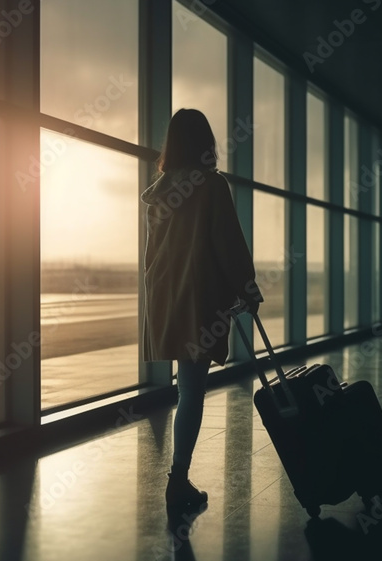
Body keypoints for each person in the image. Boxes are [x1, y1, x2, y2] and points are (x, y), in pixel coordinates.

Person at [140, 108, 263, 510]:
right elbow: (227, 243)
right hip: (196, 296)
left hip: (164, 295)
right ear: (205, 143)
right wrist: (246, 288)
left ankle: (179, 478)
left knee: (185, 389)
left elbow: (152, 255)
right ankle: (178, 480)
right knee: (192, 391)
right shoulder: (211, 186)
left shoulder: (157, 193)